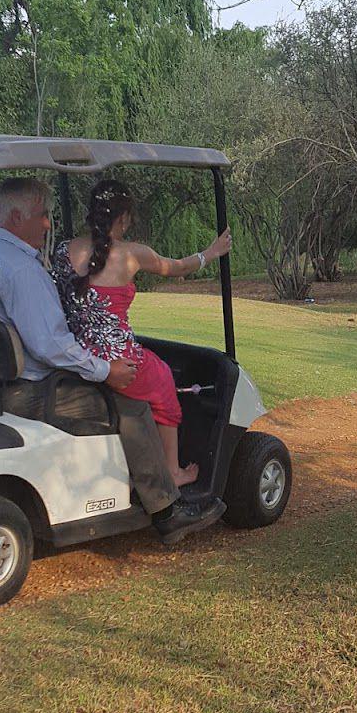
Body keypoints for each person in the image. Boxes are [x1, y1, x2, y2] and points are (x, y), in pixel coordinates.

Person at [0, 176, 222, 545]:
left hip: (5, 377)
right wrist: (106, 370)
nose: (46, 223)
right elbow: (50, 346)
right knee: (132, 403)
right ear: (14, 216)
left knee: (131, 382)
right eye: (41, 215)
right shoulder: (22, 269)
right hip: (35, 387)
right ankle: (166, 508)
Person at [52, 178, 231, 490]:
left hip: (77, 351)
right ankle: (172, 471)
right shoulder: (133, 254)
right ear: (123, 218)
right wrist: (211, 252)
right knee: (163, 379)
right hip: (117, 358)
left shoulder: (64, 250)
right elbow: (178, 267)